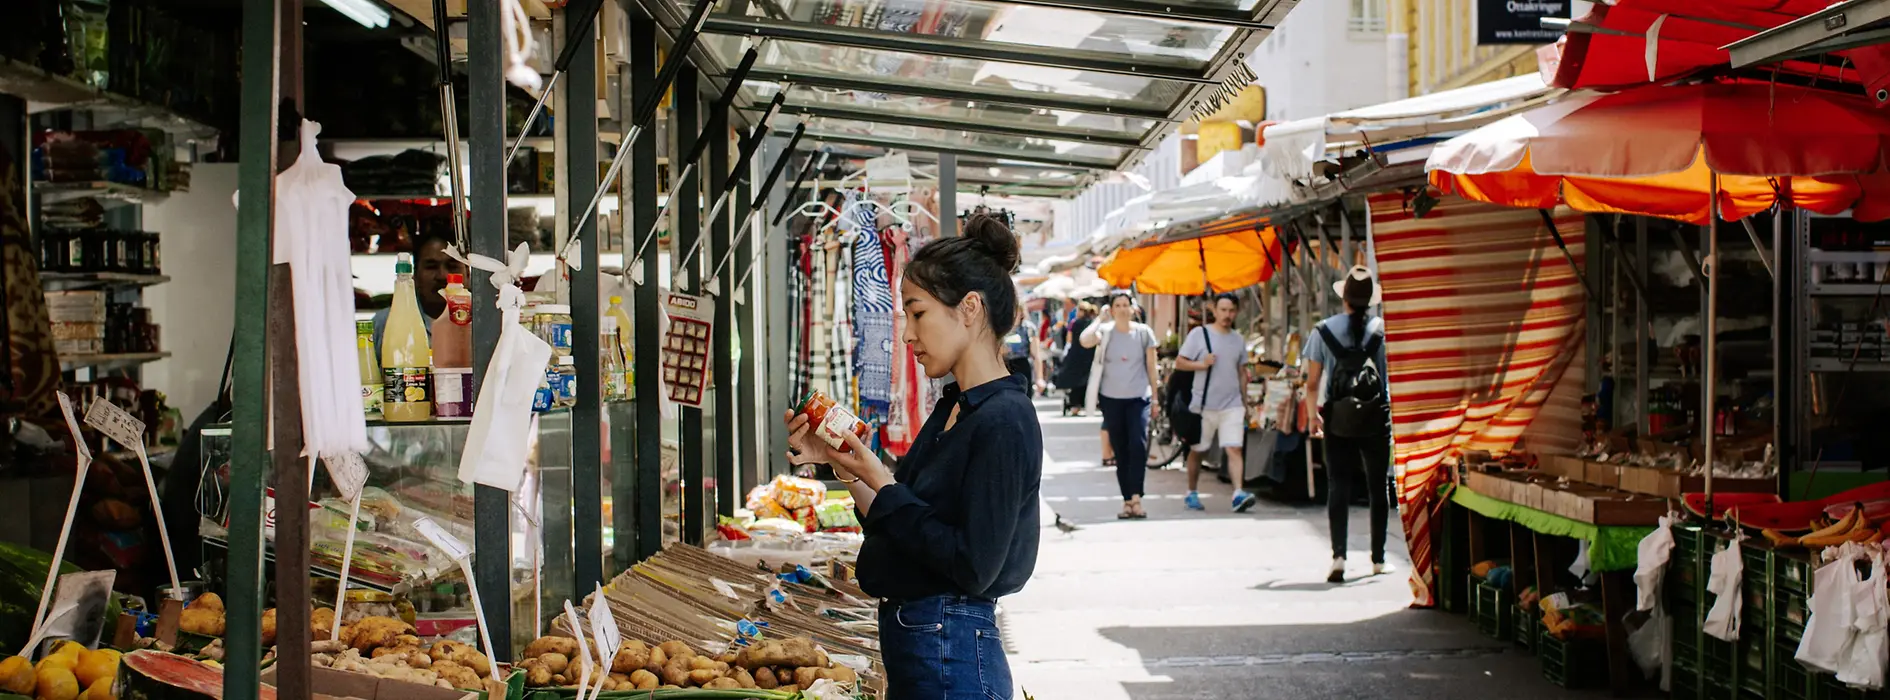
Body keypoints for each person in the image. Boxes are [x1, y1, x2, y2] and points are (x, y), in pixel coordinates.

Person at [783, 215, 1041, 700]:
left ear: (969, 308)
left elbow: (974, 565)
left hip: (952, 649)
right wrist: (843, 464)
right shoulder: (955, 407)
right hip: (929, 644)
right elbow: (906, 523)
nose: (906, 334)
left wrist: (879, 476)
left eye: (917, 313)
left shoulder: (1004, 418)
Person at [1303, 265, 1394, 584]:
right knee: (1377, 487)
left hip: (1337, 418)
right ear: (1370, 301)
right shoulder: (1383, 330)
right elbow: (1387, 379)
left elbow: (1312, 381)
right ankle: (1379, 560)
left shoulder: (1323, 329)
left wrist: (1313, 413)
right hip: (1374, 418)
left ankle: (1339, 557)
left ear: (1344, 299)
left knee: (1337, 485)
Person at [1081, 293, 1160, 519]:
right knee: (1121, 450)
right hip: (1111, 398)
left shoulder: (1144, 333)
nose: (1123, 309)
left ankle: (1137, 496)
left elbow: (1151, 367)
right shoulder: (1105, 332)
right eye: (1118, 305)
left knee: (1138, 444)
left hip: (1139, 397)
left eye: (1126, 305)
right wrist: (1100, 319)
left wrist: (1155, 398)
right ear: (1112, 309)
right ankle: (1128, 501)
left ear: (1133, 309)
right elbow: (1084, 340)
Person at [1176, 293, 1254, 512]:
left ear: (1236, 312)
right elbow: (1180, 363)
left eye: (1231, 311)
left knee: (1234, 449)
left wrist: (1244, 402)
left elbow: (1241, 372)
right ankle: (1191, 491)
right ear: (1214, 310)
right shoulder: (1199, 335)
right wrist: (1202, 364)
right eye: (1223, 310)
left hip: (1232, 404)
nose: (1227, 315)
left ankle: (1238, 493)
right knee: (1198, 450)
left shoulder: (1238, 339)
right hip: (1203, 406)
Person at [372, 229, 468, 355]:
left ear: (468, 273)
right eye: (431, 266)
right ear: (415, 275)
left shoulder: (483, 322)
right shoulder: (384, 323)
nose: (442, 275)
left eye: (452, 266)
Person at [1053, 302, 1099, 416]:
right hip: (1089, 355)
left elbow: (1069, 339)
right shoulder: (1093, 324)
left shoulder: (1074, 323)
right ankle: (1085, 403)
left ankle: (1074, 405)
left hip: (1076, 355)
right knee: (1086, 380)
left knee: (1074, 381)